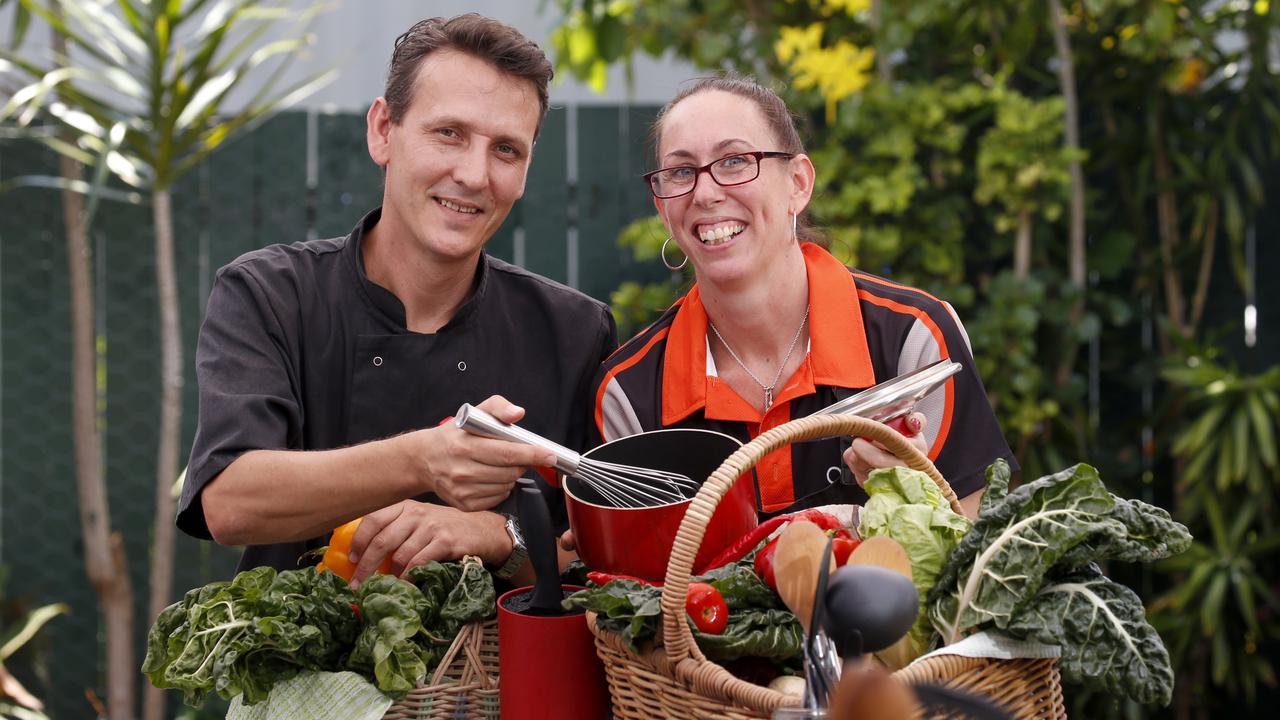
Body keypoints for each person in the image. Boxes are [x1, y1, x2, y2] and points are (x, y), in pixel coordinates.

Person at [177, 14, 617, 587]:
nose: (473, 174)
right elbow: (230, 502)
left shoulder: (574, 332)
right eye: (449, 133)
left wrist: (495, 535)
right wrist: (422, 458)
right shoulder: (270, 294)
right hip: (302, 664)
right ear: (383, 130)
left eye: (506, 149)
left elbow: (602, 560)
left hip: (502, 675)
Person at [591, 76, 1015, 520]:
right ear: (662, 209)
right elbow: (635, 580)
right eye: (680, 172)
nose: (705, 192)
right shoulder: (629, 393)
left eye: (734, 161)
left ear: (798, 182)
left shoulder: (914, 339)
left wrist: (915, 500)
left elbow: (973, 549)